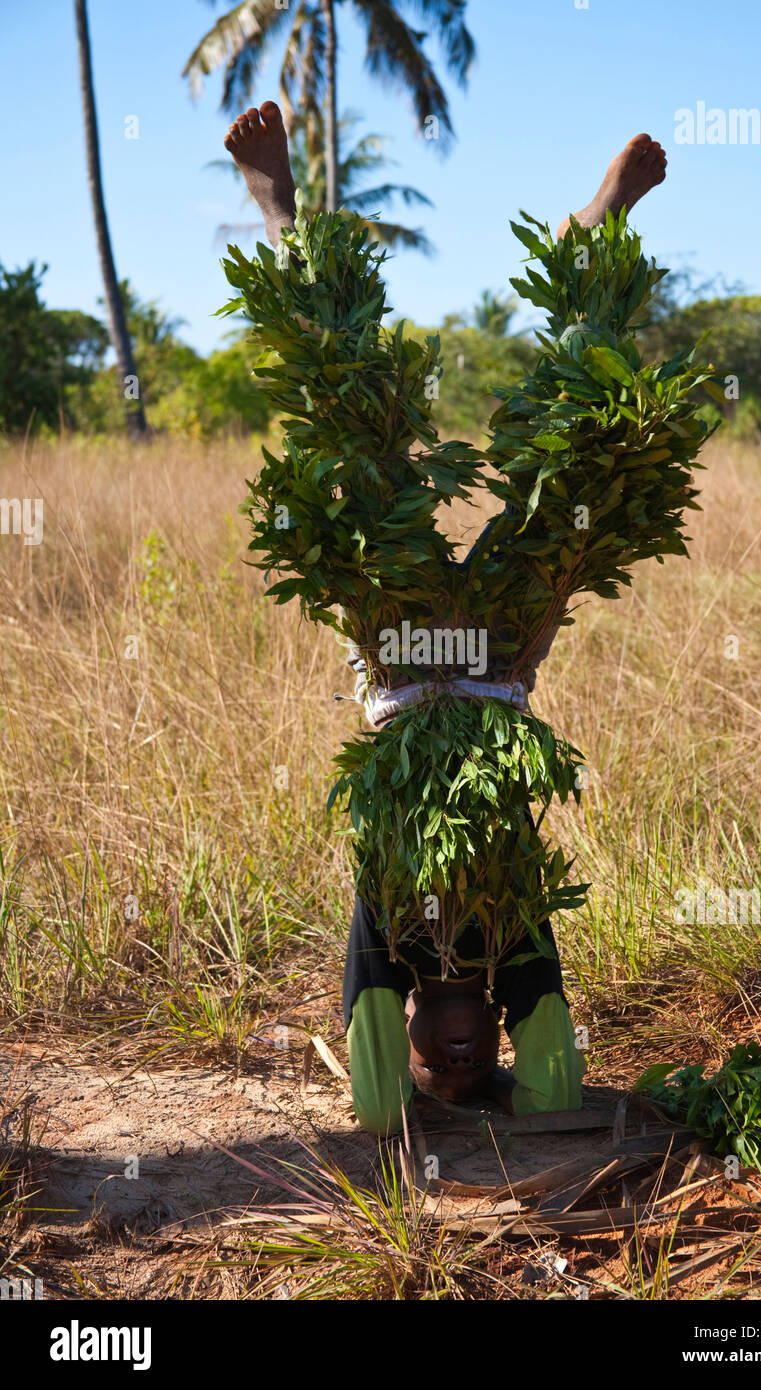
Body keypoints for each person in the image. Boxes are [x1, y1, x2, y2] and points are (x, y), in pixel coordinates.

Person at [224, 102, 667, 1136]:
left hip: (402, 638)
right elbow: (557, 1087)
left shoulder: (393, 935)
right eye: (480, 1068)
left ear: (410, 1032)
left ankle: (277, 203)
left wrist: (408, 1113)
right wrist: (513, 1096)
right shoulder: (513, 945)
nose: (460, 1060)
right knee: (583, 456)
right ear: (503, 1038)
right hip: (506, 643)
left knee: (354, 416)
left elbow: (374, 1104)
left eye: (439, 1069)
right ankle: (592, 234)